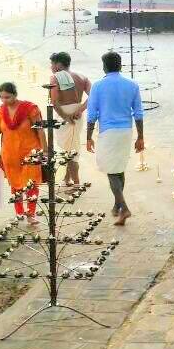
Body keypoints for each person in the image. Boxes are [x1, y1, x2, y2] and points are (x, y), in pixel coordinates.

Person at [85, 52, 144, 226]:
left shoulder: (98, 86)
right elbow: (138, 113)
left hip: (108, 132)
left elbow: (92, 115)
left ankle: (124, 208)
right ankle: (117, 205)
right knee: (119, 169)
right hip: (126, 131)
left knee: (111, 171)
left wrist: (88, 137)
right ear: (120, 66)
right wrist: (140, 137)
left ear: (104, 66)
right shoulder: (132, 85)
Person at [0, 82, 44, 225]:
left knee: (31, 183)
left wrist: (45, 150)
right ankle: (19, 213)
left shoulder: (30, 109)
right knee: (15, 185)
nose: (4, 100)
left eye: (7, 97)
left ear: (15, 94)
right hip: (10, 154)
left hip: (30, 152)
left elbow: (40, 130)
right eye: (2, 98)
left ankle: (31, 214)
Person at [49, 52, 91, 186]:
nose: (51, 67)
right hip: (76, 114)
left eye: (52, 64)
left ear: (57, 65)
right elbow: (94, 96)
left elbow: (54, 102)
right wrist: (80, 109)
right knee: (69, 148)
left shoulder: (55, 77)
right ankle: (67, 178)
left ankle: (77, 182)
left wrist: (66, 117)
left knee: (71, 150)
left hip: (65, 114)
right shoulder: (82, 76)